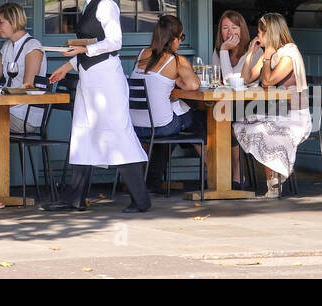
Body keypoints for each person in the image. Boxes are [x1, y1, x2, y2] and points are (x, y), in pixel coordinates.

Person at [44, 0, 152, 213]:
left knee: (118, 134)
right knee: (83, 135)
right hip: (90, 80)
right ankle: (75, 198)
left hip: (106, 83)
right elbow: (92, 45)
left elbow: (115, 42)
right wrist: (67, 66)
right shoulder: (90, 5)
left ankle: (141, 199)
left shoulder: (106, 5)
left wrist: (84, 50)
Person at [233, 12, 311, 198]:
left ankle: (273, 183)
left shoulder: (289, 54)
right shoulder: (270, 53)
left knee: (259, 129)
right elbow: (246, 78)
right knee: (240, 124)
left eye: (260, 32)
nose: (258, 36)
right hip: (279, 113)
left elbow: (267, 81)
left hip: (295, 117)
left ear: (270, 33)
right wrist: (251, 53)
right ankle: (274, 178)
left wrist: (266, 56)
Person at [130, 14, 205, 193]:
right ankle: (218, 176)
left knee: (167, 125)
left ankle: (153, 179)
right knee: (196, 118)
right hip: (159, 126)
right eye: (181, 38)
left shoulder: (141, 54)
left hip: (135, 125)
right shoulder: (176, 60)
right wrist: (177, 79)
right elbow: (194, 85)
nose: (180, 42)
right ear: (174, 39)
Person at [0, 2, 46, 133]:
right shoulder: (8, 45)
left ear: (13, 22)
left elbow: (28, 86)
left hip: (24, 116)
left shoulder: (33, 47)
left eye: (0, 22)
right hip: (7, 108)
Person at [214, 10, 251, 182]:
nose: (229, 33)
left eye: (234, 28)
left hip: (250, 106)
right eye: (225, 28)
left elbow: (231, 82)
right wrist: (222, 51)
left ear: (242, 30)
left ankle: (235, 171)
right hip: (226, 105)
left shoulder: (252, 51)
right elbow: (215, 79)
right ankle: (217, 172)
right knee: (198, 120)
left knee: (226, 118)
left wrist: (223, 51)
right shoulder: (219, 51)